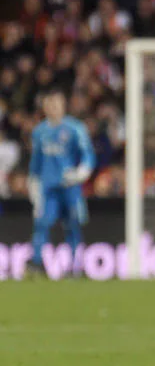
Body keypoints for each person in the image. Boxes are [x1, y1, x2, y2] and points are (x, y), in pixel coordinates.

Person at [27, 87, 95, 277]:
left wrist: (81, 173)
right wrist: (32, 184)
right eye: (49, 104)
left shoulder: (75, 129)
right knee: (42, 223)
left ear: (63, 105)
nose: (53, 107)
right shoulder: (39, 132)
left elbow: (88, 155)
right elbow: (36, 163)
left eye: (56, 103)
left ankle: (75, 267)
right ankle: (37, 264)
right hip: (49, 189)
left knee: (72, 225)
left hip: (70, 188)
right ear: (45, 107)